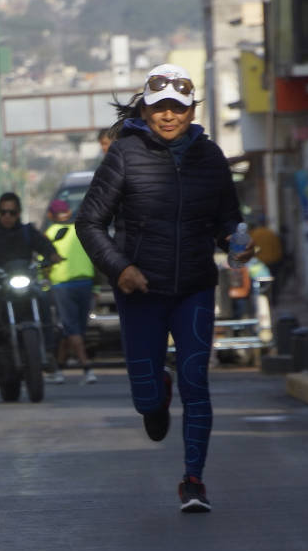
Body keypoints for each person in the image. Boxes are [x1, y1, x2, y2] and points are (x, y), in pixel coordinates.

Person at [76, 63, 252, 513]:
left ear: (192, 110)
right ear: (146, 108)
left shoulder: (210, 157)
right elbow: (90, 223)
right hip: (141, 290)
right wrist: (120, 269)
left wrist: (236, 241)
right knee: (147, 397)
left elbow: (225, 220)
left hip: (194, 286)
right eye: (160, 108)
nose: (169, 116)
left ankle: (193, 481)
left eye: (178, 107)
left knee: (198, 381)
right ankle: (157, 395)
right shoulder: (123, 154)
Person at [0, 192, 61, 360]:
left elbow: (44, 245)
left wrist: (53, 255)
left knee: (44, 297)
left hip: (26, 282)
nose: (7, 216)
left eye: (12, 212)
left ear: (19, 212)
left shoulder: (27, 231)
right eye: (3, 212)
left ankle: (49, 348)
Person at [44, 199, 98, 385]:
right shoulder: (82, 230)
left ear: (51, 215)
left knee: (72, 329)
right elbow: (96, 256)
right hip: (85, 284)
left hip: (63, 287)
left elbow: (44, 263)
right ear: (68, 212)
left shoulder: (50, 233)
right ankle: (58, 370)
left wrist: (42, 284)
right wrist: (97, 286)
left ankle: (87, 369)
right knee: (73, 330)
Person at [248, 214, 283, 305]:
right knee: (273, 283)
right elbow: (278, 249)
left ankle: (261, 299)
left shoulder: (254, 234)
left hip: (259, 264)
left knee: (258, 283)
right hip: (273, 262)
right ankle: (273, 300)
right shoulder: (271, 234)